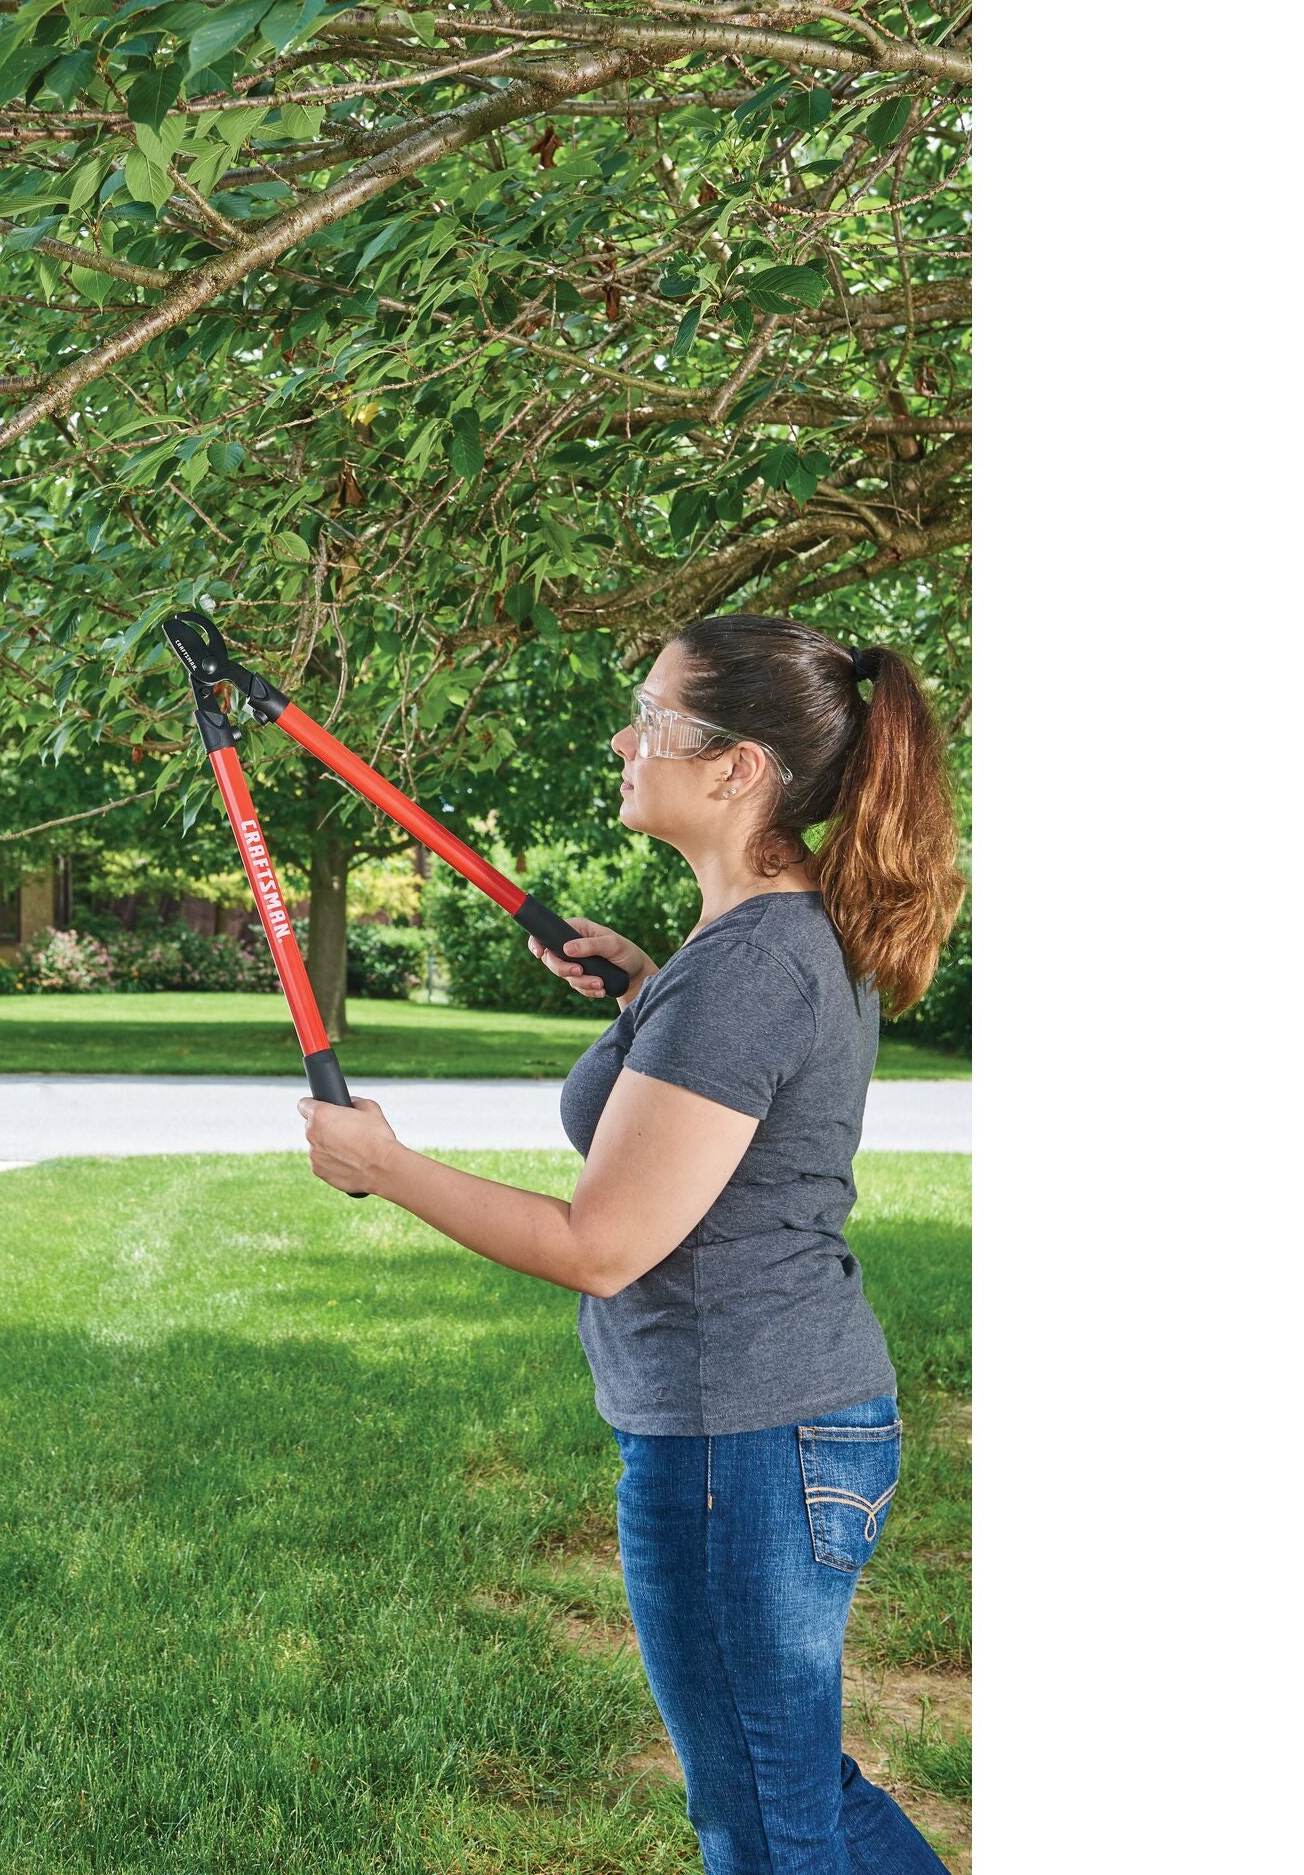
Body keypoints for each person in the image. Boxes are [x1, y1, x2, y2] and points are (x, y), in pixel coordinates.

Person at [297, 613, 967, 1872]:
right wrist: (648, 984)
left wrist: (383, 1167)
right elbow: (739, 1098)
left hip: (741, 1447)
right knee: (792, 1787)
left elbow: (599, 1243)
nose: (623, 737)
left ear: (735, 768)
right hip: (790, 1418)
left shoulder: (745, 970)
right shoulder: (767, 935)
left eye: (651, 716)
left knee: (765, 1825)